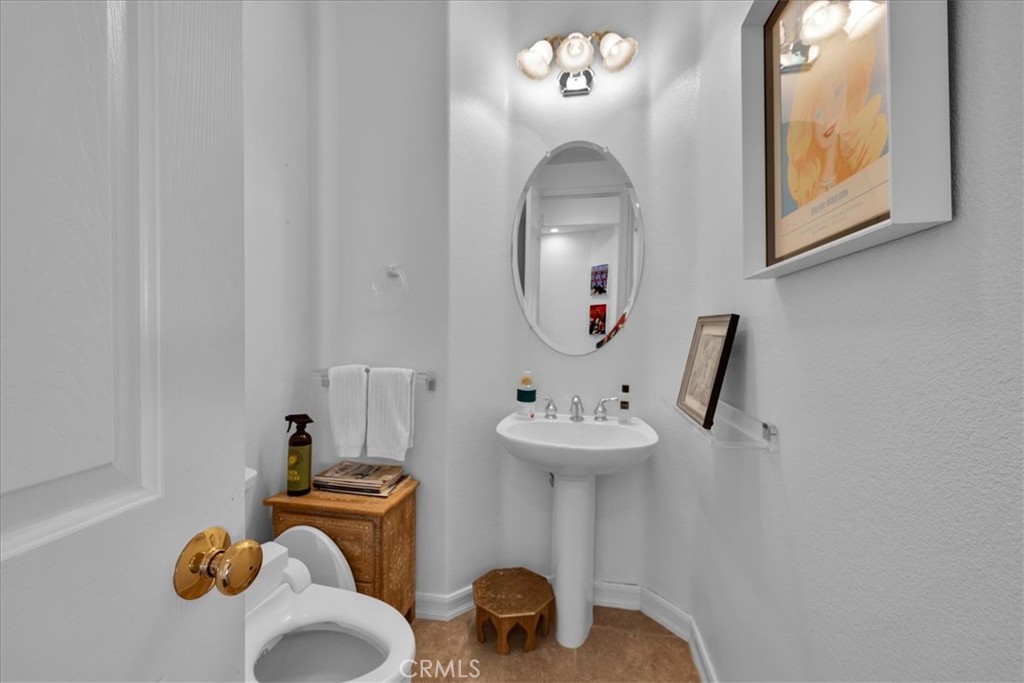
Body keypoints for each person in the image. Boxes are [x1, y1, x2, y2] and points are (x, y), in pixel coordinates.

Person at [785, 30, 888, 208]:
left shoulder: (860, 161)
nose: (830, 115)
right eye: (818, 113)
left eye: (838, 92)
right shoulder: (803, 186)